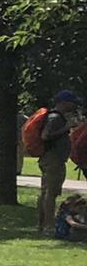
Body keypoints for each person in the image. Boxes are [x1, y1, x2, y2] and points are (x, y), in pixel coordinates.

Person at [36, 89, 85, 237]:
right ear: (63, 103)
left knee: (46, 192)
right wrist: (66, 128)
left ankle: (42, 224)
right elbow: (45, 136)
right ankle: (48, 226)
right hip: (53, 159)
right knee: (50, 193)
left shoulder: (56, 117)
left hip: (52, 159)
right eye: (71, 103)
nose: (73, 106)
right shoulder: (55, 118)